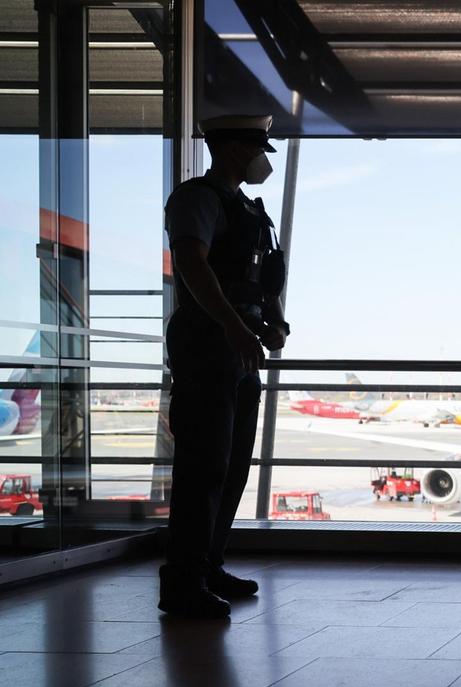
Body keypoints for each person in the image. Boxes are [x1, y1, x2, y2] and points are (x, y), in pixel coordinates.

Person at [159, 114, 290, 618]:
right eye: (259, 150)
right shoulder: (198, 199)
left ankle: (207, 565)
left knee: (232, 462)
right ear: (234, 150)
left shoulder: (249, 212)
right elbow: (192, 266)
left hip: (239, 349)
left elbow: (264, 280)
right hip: (209, 344)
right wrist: (234, 326)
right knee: (204, 465)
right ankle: (183, 580)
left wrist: (274, 323)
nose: (263, 161)